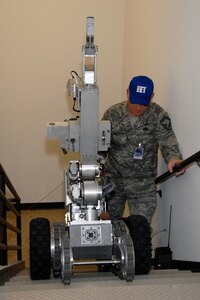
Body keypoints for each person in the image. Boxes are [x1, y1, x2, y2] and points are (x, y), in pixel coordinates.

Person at [102, 75, 185, 224]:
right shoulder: (112, 114)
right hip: (113, 184)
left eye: (143, 103)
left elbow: (167, 139)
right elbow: (100, 144)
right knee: (107, 226)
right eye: (135, 101)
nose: (138, 107)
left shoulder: (158, 115)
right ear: (127, 93)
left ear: (152, 97)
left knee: (141, 230)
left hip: (143, 184)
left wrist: (173, 158)